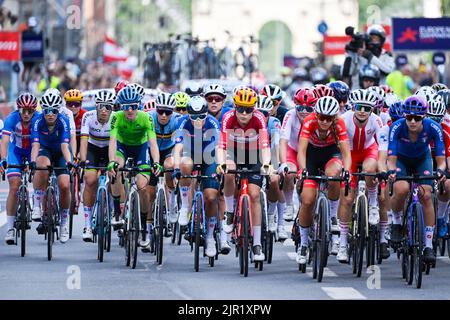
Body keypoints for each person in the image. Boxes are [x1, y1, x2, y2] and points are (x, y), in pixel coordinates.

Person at [387, 95, 446, 264]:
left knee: (426, 195)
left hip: (422, 159)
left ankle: (428, 245)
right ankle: (397, 223)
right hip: (401, 160)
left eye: (417, 118)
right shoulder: (397, 126)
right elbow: (391, 156)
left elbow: (441, 161)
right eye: (409, 117)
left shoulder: (433, 127)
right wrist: (391, 170)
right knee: (401, 189)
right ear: (404, 116)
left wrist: (440, 171)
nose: (412, 121)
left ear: (424, 117)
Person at [217, 87, 272, 261]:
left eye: (248, 109)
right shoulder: (228, 118)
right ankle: (230, 213)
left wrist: (266, 164)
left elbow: (265, 146)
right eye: (240, 108)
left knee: (255, 195)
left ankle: (256, 244)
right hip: (234, 153)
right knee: (229, 172)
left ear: (254, 109)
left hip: (254, 155)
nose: (243, 113)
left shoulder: (259, 119)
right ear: (234, 106)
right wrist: (221, 163)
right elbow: (222, 146)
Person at [296, 96, 351, 264]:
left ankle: (333, 216)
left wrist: (347, 171)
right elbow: (302, 151)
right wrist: (303, 170)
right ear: (316, 114)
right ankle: (304, 244)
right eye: (322, 117)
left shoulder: (339, 123)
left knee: (335, 175)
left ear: (334, 117)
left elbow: (346, 153)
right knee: (307, 200)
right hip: (312, 155)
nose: (325, 122)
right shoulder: (309, 122)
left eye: (329, 118)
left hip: (330, 153)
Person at [339, 89, 390, 259]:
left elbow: (382, 148)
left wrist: (382, 170)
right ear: (353, 107)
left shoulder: (376, 121)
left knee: (371, 169)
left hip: (369, 151)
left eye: (367, 108)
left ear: (372, 110)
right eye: (359, 107)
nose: (362, 111)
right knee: (346, 199)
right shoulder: (343, 120)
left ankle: (373, 204)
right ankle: (343, 243)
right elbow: (341, 147)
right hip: (350, 154)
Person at [172, 96, 224, 257]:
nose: (197, 120)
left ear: (206, 115)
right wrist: (176, 167)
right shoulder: (183, 123)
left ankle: (210, 237)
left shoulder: (213, 123)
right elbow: (178, 148)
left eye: (201, 116)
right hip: (191, 155)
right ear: (188, 115)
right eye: (194, 117)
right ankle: (185, 208)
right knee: (185, 165)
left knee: (210, 197)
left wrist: (221, 166)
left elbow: (219, 147)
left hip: (210, 158)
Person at [107, 86, 162, 234]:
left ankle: (144, 224)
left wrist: (156, 162)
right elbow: (112, 142)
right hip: (122, 147)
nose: (130, 110)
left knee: (142, 187)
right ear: (121, 106)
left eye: (133, 106)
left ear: (139, 105)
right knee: (115, 169)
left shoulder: (146, 118)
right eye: (126, 107)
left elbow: (153, 144)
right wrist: (111, 161)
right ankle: (118, 212)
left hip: (141, 148)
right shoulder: (115, 116)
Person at [30, 90, 74, 243]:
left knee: (64, 185)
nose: (50, 114)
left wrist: (70, 162)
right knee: (42, 166)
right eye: (47, 111)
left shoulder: (63, 120)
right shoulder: (37, 120)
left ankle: (63, 222)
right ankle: (36, 205)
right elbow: (35, 144)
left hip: (60, 152)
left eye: (54, 111)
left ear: (58, 111)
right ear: (43, 110)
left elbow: (64, 146)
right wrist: (32, 161)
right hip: (44, 149)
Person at [0, 93, 40, 244]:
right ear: (19, 110)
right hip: (15, 150)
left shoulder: (38, 119)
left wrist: (34, 162)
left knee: (40, 173)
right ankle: (10, 229)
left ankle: (37, 206)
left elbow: (38, 143)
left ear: (35, 111)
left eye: (30, 111)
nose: (27, 114)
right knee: (14, 185)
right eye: (24, 110)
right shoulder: (11, 118)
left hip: (32, 150)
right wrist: (3, 160)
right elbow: (4, 142)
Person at [143, 92, 178, 251]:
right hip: (151, 151)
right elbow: (144, 143)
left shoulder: (176, 121)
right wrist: (149, 162)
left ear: (173, 112)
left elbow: (179, 144)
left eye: (168, 112)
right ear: (156, 110)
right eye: (160, 111)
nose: (164, 115)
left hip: (169, 150)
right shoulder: (148, 118)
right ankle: (148, 232)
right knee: (149, 194)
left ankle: (171, 204)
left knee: (170, 166)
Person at [78, 90, 115, 242]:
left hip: (109, 149)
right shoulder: (88, 116)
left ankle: (114, 211)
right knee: (90, 179)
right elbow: (84, 141)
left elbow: (115, 143)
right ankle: (87, 225)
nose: (104, 110)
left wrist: (113, 162)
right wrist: (82, 161)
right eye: (101, 107)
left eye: (108, 107)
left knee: (115, 176)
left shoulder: (115, 119)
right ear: (96, 107)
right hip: (93, 148)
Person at [279, 88, 317, 221]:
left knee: (308, 179)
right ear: (295, 106)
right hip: (292, 150)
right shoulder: (290, 115)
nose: (304, 112)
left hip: (310, 152)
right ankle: (289, 205)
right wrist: (283, 164)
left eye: (309, 109)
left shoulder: (318, 118)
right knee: (289, 172)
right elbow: (283, 141)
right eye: (300, 108)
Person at [256, 95, 287, 240]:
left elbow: (276, 144)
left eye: (265, 114)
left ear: (271, 114)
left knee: (275, 180)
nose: (262, 116)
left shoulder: (274, 123)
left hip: (270, 154)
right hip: (252, 155)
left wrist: (275, 165)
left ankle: (272, 215)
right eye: (258, 113)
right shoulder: (249, 122)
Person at [342, 24, 395, 89]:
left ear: (382, 40)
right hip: (358, 93)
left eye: (376, 38)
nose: (373, 41)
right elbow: (346, 73)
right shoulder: (359, 53)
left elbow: (387, 70)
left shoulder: (386, 55)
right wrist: (350, 54)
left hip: (379, 93)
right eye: (371, 38)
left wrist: (370, 57)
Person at [63, 89, 86, 157]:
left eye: (76, 104)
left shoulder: (85, 115)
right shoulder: (62, 115)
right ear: (66, 105)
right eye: (70, 104)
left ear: (81, 104)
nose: (73, 107)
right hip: (67, 143)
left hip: (82, 142)